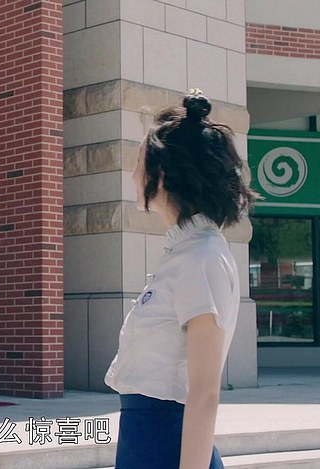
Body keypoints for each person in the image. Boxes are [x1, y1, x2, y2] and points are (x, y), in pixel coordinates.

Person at [105, 90, 258, 469]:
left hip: (165, 442)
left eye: (139, 162)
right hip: (147, 439)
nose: (133, 174)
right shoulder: (185, 252)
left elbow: (204, 393)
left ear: (161, 175)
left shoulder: (201, 258)